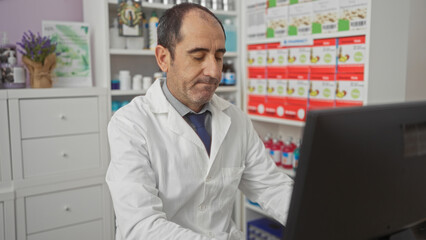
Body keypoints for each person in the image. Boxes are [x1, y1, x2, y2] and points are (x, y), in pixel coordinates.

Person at [106, 3, 294, 240]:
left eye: (219, 57)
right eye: (198, 57)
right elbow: (141, 226)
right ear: (164, 58)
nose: (214, 71)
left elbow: (271, 186)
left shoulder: (236, 120)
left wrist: (322, 219)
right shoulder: (130, 124)